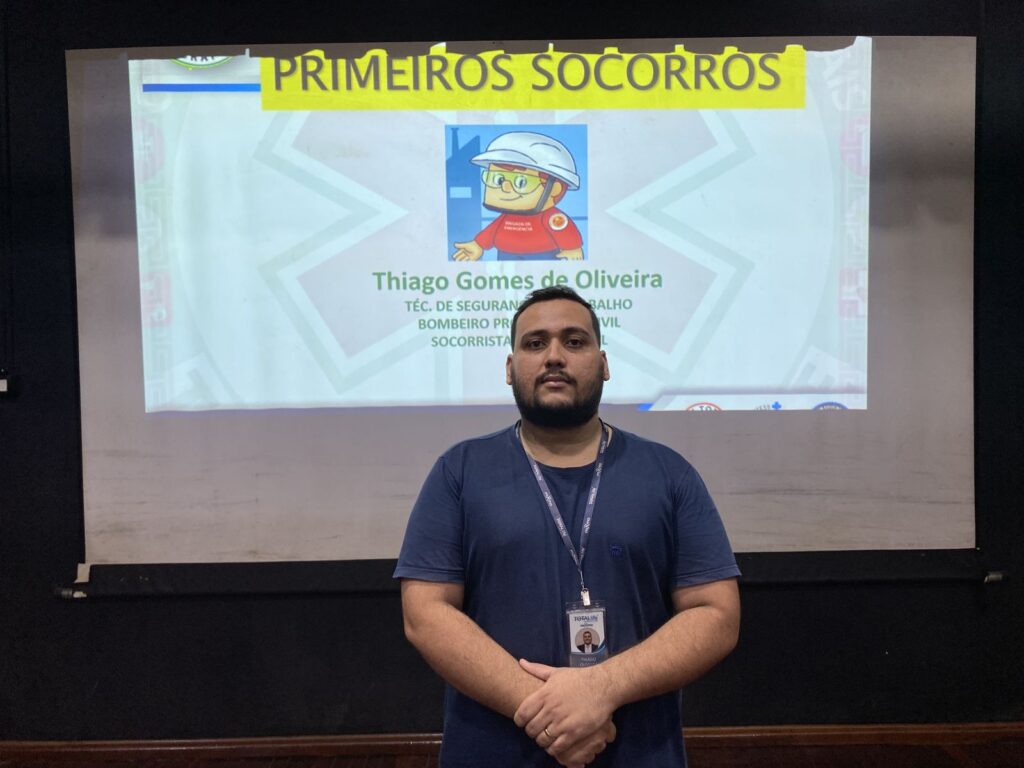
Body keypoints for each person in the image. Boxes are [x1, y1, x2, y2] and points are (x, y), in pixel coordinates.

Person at [395, 286, 740, 767]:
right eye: (535, 343)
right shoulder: (459, 471)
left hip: (637, 752)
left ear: (604, 364)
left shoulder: (668, 473)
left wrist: (601, 688)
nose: (554, 356)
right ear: (510, 367)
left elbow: (716, 614)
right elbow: (425, 614)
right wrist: (551, 712)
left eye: (574, 342)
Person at [452, 131, 584, 261]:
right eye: (498, 179)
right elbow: (492, 231)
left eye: (521, 182)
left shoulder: (552, 218)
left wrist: (572, 248)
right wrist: (478, 244)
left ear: (554, 189)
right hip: (505, 256)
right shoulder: (507, 216)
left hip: (541, 256)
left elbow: (564, 231)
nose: (505, 188)